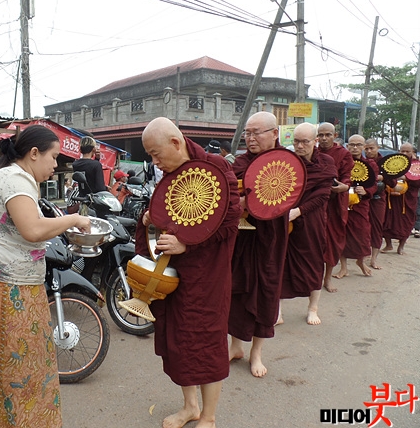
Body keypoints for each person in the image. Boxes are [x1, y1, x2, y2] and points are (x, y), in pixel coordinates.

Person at [0, 125, 91, 428]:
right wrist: (73, 219)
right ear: (34, 154)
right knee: (14, 367)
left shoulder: (12, 176)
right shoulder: (16, 178)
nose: (56, 166)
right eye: (54, 157)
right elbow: (32, 229)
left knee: (11, 365)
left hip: (3, 285)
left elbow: (26, 225)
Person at [138, 117, 240, 428]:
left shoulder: (217, 169)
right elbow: (172, 214)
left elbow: (229, 220)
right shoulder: (171, 175)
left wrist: (186, 245)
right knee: (179, 340)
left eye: (157, 154)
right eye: (150, 157)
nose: (155, 163)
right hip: (173, 275)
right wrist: (151, 221)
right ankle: (190, 406)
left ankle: (208, 415)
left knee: (206, 342)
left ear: (175, 142)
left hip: (207, 276)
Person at [228, 111, 289, 378]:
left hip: (270, 237)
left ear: (274, 134)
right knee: (237, 289)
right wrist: (238, 205)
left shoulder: (286, 163)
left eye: (257, 133)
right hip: (243, 237)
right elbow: (229, 195)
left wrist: (255, 202)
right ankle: (236, 347)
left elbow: (292, 192)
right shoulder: (240, 162)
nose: (250, 138)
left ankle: (257, 353)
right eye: (247, 133)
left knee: (265, 290)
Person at [278, 123, 336, 325]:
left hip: (312, 219)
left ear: (315, 141)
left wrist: (298, 211)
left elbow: (322, 195)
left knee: (313, 262)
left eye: (305, 141)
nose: (300, 146)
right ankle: (277, 311)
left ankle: (313, 308)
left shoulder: (326, 162)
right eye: (296, 141)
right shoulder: (287, 161)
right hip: (285, 218)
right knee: (281, 262)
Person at [316, 122, 353, 292]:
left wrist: (344, 186)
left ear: (335, 135)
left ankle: (328, 278)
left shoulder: (343, 154)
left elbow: (347, 176)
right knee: (314, 241)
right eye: (321, 135)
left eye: (328, 135)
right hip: (315, 203)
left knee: (332, 241)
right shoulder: (312, 152)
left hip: (334, 203)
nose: (324, 139)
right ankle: (313, 278)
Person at [335, 135, 378, 279]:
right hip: (342, 202)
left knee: (362, 232)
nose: (354, 147)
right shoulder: (342, 162)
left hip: (360, 204)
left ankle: (361, 261)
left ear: (363, 147)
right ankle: (343, 268)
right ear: (347, 146)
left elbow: (373, 184)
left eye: (358, 145)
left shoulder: (370, 164)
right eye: (351, 144)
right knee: (342, 232)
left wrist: (366, 191)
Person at [382, 143, 420, 255]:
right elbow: (386, 174)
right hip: (392, 198)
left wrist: (406, 177)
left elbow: (417, 180)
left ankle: (401, 246)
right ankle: (388, 245)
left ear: (413, 153)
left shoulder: (416, 166)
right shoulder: (394, 163)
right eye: (402, 151)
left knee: (406, 221)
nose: (404, 154)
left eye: (407, 151)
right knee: (387, 219)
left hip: (408, 198)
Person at [364, 139, 387, 270]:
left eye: (371, 148)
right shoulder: (362, 161)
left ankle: (374, 258)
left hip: (378, 198)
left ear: (378, 148)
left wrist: (383, 178)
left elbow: (393, 182)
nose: (368, 151)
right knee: (363, 227)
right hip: (363, 198)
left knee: (377, 227)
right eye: (366, 149)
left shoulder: (385, 163)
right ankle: (363, 253)